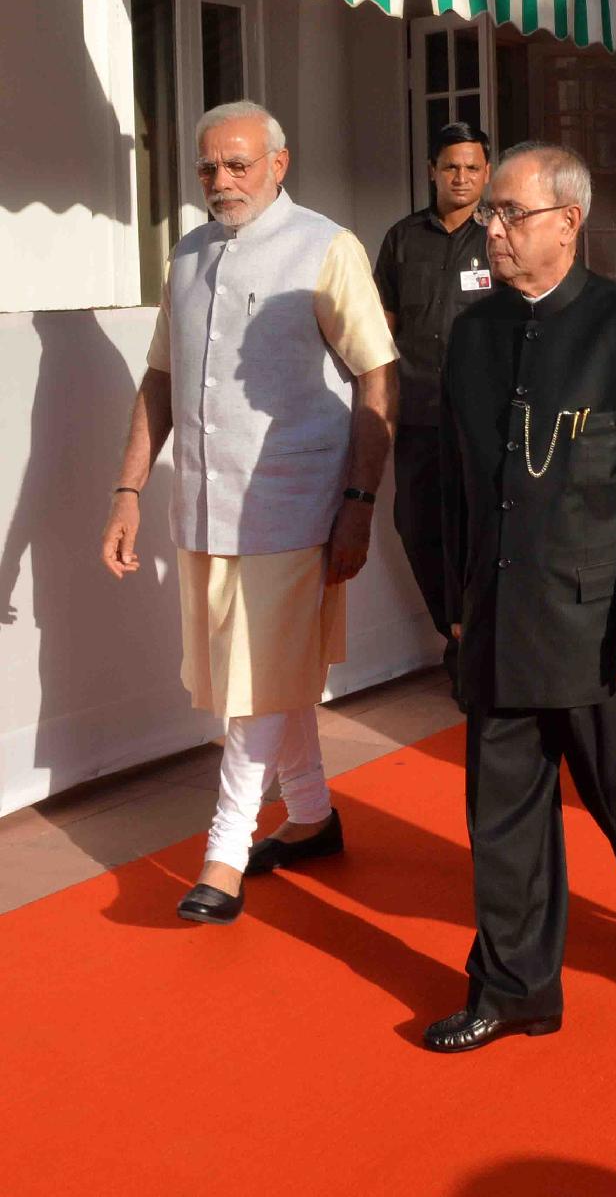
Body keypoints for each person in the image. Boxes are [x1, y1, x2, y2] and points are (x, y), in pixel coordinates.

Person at [424, 141, 616, 1053]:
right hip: (500, 616)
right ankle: (516, 988)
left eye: (511, 213)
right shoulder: (473, 334)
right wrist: (456, 600)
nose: (493, 228)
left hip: (603, 623)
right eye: (492, 214)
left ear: (568, 223)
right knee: (502, 810)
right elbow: (454, 484)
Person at [100, 101, 397, 925]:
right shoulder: (188, 253)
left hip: (296, 506)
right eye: (208, 166)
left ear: (279, 163)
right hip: (203, 508)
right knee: (266, 673)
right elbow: (161, 378)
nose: (221, 180)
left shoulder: (326, 247)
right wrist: (127, 489)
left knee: (255, 681)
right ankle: (311, 813)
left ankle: (224, 853)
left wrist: (360, 504)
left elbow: (377, 375)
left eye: (238, 163)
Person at [374, 121, 492, 683]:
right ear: (432, 172)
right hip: (418, 411)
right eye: (450, 167)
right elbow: (382, 326)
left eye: (472, 168)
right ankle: (455, 632)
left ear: (486, 174)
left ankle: (478, 650)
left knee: (479, 529)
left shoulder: (499, 237)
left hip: (483, 417)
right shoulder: (402, 239)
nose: (461, 177)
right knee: (416, 525)